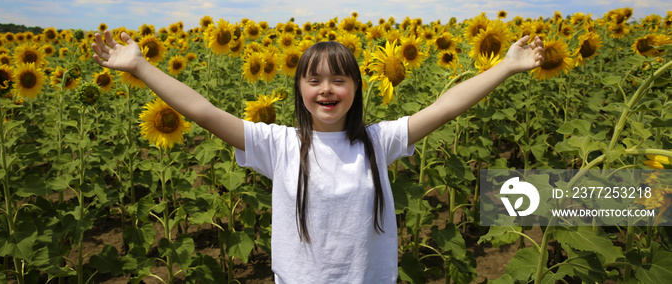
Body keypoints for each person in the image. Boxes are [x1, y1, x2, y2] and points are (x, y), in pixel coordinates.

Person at [92, 29, 544, 283]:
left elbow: (446, 106)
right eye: (314, 80)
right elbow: (203, 111)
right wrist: (139, 66)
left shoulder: (378, 141)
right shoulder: (279, 145)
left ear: (356, 90)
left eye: (339, 80)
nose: (327, 89)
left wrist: (504, 66)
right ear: (300, 90)